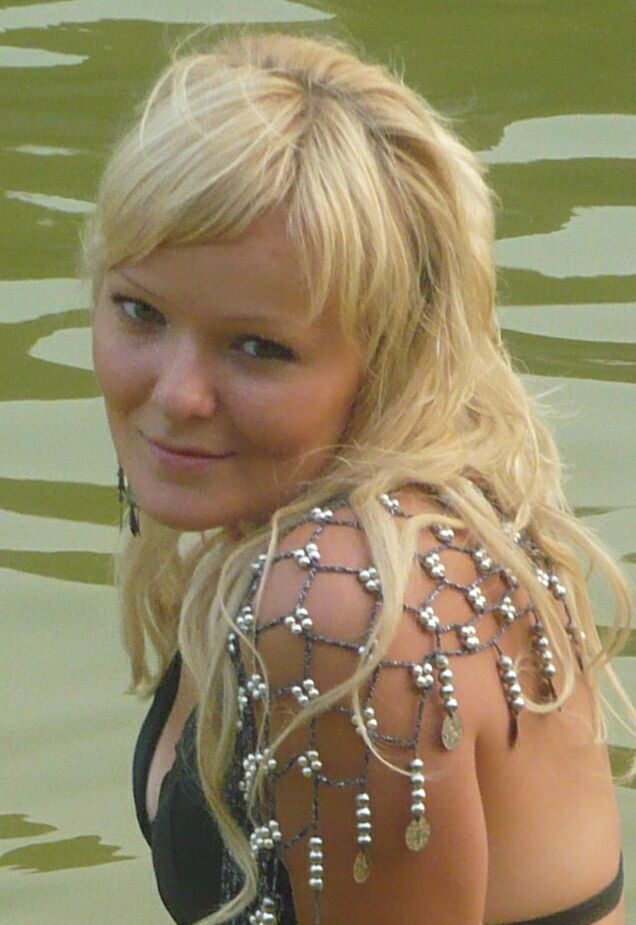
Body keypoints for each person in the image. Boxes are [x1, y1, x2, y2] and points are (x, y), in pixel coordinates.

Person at [86, 32, 632, 925]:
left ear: (390, 358)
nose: (177, 395)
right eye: (139, 310)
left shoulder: (347, 603)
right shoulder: (376, 523)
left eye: (258, 347)